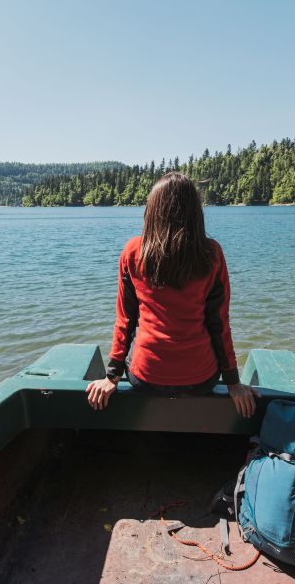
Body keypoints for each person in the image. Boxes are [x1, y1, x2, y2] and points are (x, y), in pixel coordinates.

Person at [86, 172, 259, 418]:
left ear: (153, 209)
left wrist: (112, 376)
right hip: (201, 380)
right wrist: (233, 382)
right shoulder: (211, 254)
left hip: (145, 378)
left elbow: (125, 319)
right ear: (195, 212)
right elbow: (219, 323)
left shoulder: (133, 251)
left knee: (139, 332)